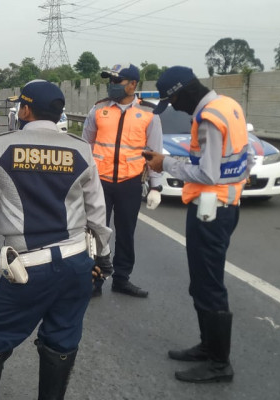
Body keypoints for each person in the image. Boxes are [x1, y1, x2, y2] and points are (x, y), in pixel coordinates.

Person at [0, 79, 112, 399]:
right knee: (61, 342)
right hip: (76, 263)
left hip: (28, 267)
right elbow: (97, 214)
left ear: (27, 109)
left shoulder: (1, 147)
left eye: (21, 105)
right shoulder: (81, 150)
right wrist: (103, 258)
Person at [143, 66, 253, 383]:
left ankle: (219, 363)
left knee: (208, 285)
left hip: (212, 209)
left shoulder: (208, 118)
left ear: (183, 93)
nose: (174, 107)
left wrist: (165, 163)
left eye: (172, 100)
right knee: (203, 282)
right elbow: (236, 162)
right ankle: (208, 347)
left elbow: (208, 174)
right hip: (223, 205)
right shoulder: (229, 106)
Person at [82, 63, 164, 298]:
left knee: (126, 233)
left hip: (130, 182)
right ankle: (94, 280)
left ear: (133, 84)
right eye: (110, 81)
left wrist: (156, 186)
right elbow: (85, 146)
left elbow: (154, 153)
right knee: (96, 233)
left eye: (117, 81)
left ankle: (121, 279)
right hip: (100, 182)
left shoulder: (149, 114)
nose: (112, 85)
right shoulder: (98, 110)